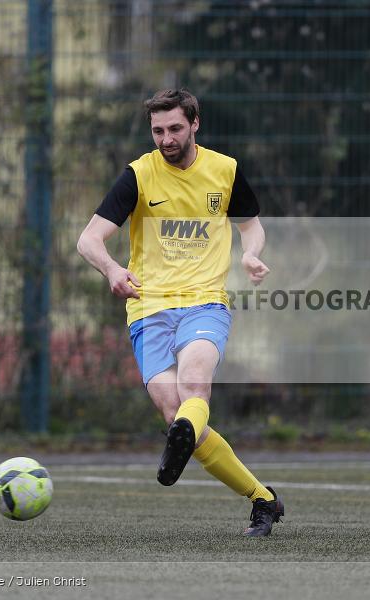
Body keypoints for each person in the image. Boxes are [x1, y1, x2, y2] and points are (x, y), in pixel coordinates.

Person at [77, 88, 284, 537]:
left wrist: (251, 254)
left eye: (174, 128)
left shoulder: (224, 170)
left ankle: (189, 451)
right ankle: (263, 499)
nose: (166, 139)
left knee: (194, 385)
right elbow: (89, 239)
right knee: (178, 418)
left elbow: (250, 224)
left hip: (204, 301)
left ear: (194, 124)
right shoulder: (138, 175)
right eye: (157, 131)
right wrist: (112, 269)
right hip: (147, 308)